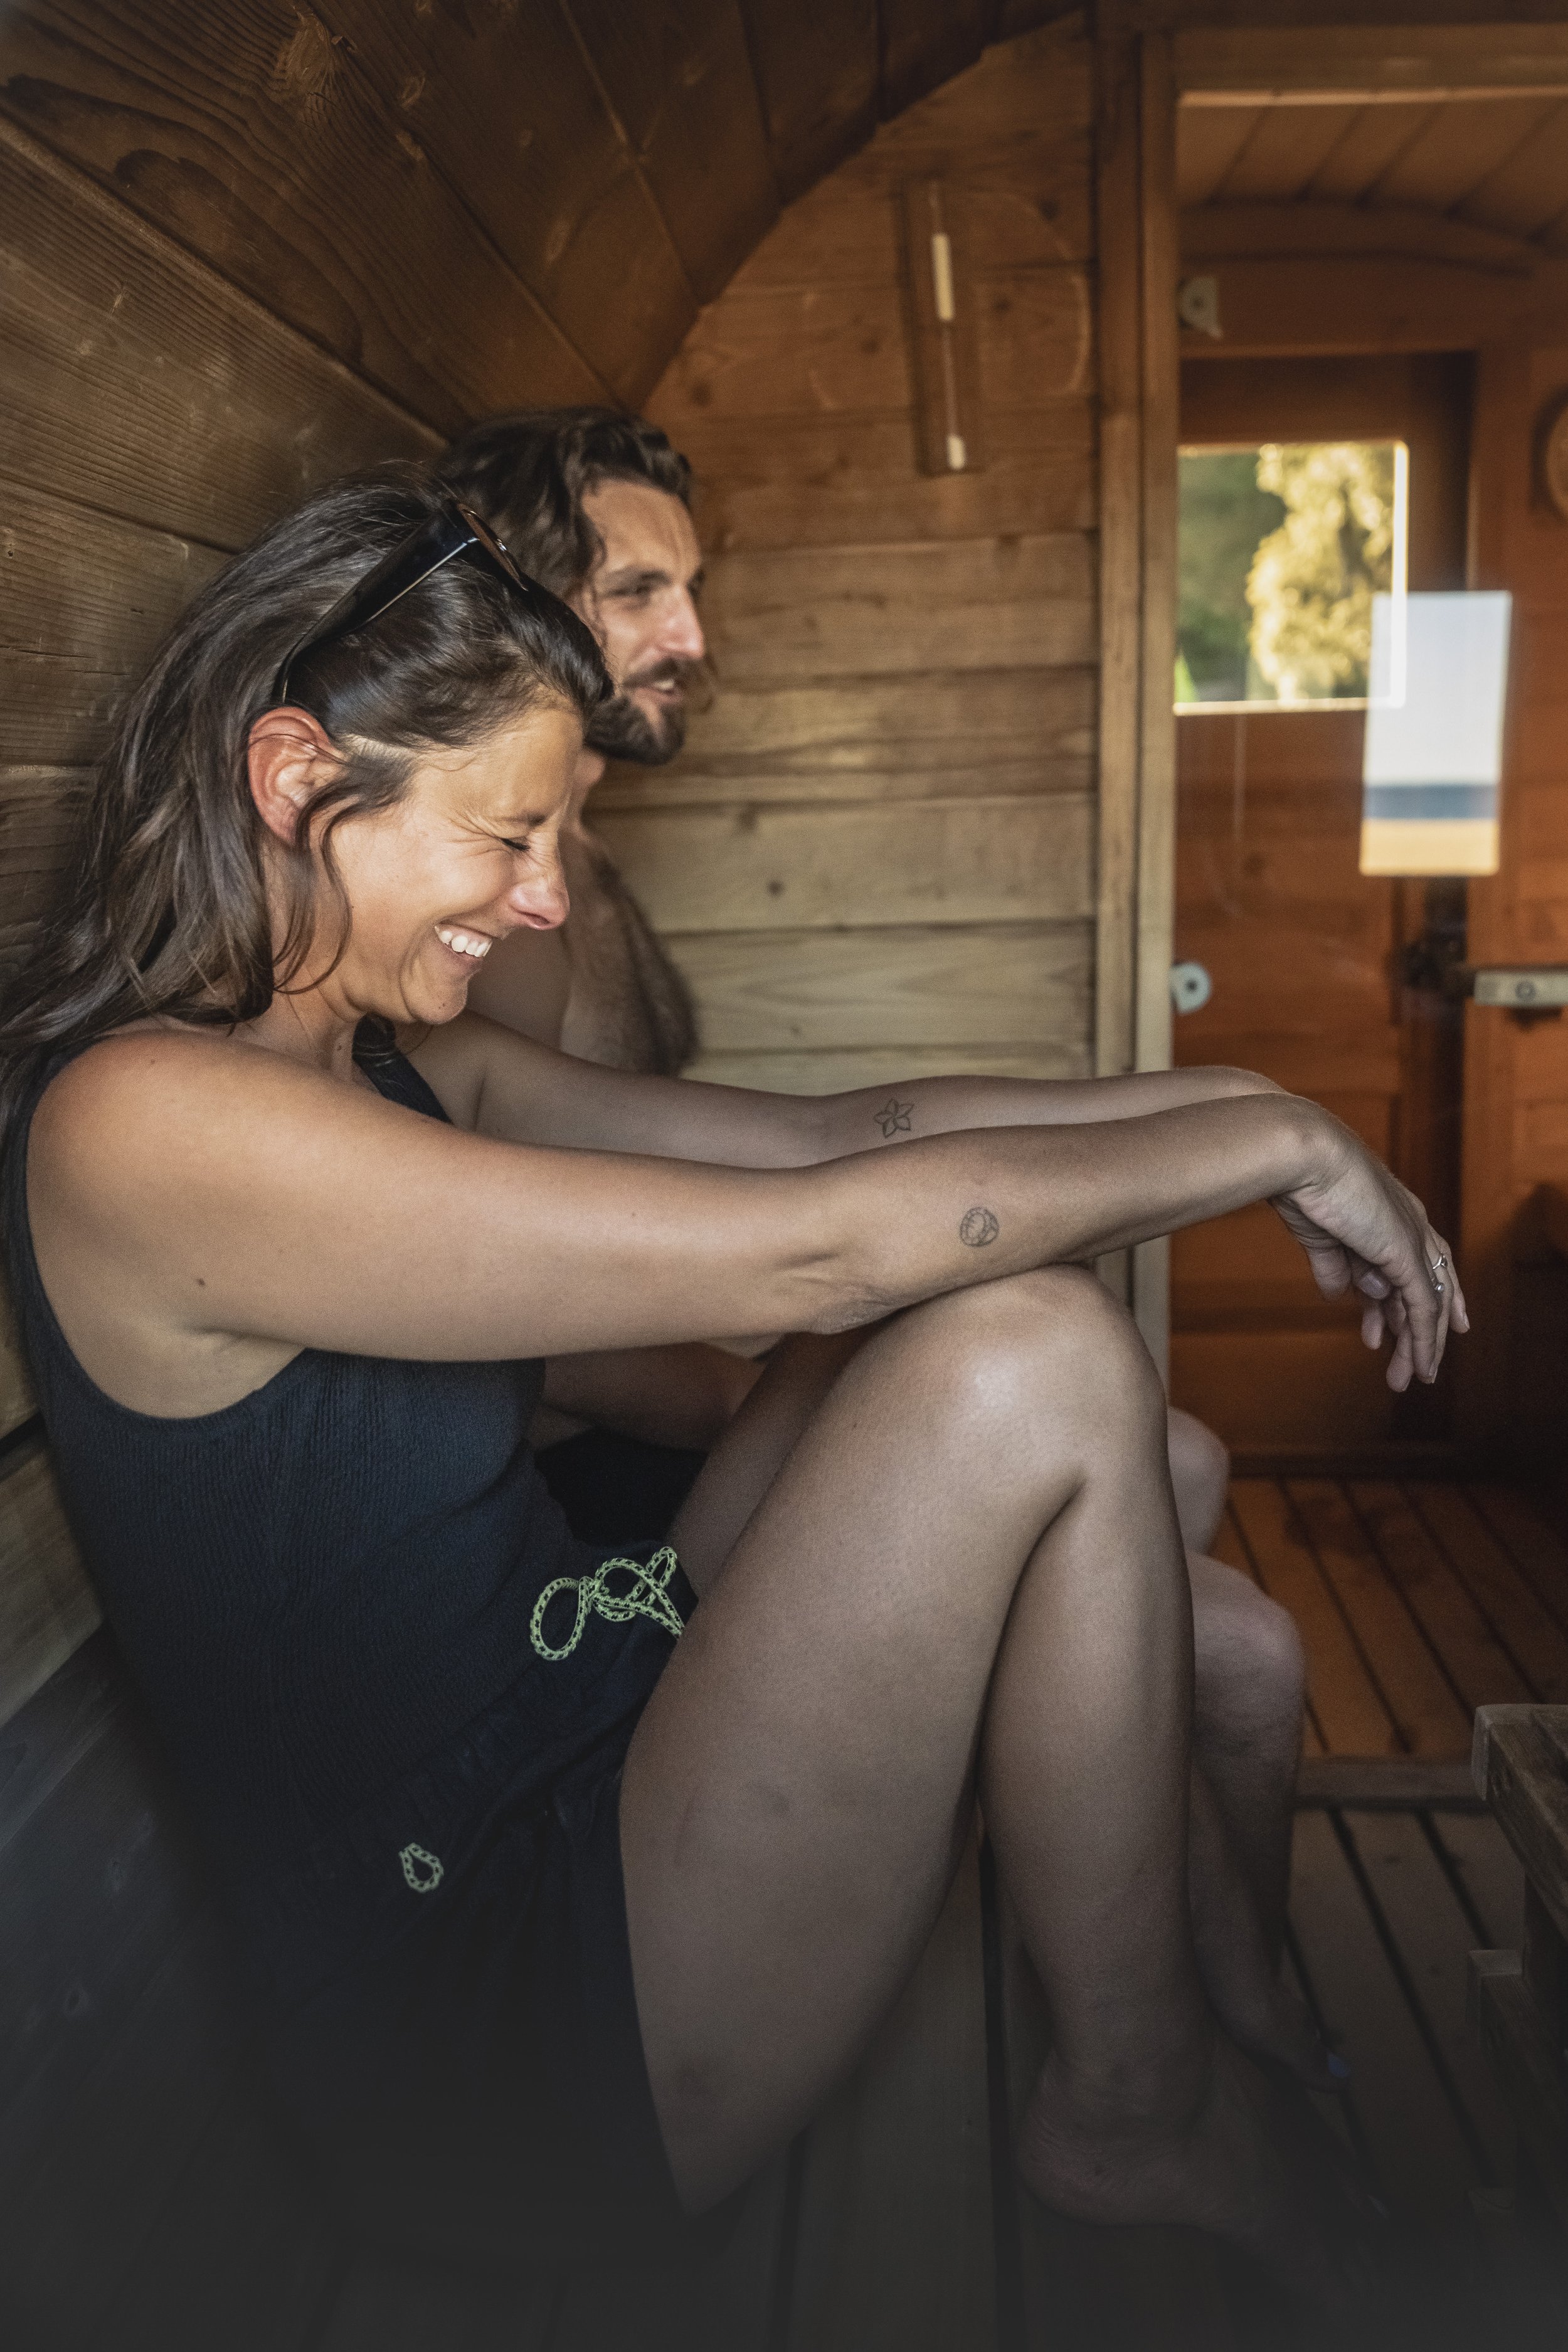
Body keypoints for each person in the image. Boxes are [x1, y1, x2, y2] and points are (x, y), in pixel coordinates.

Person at [0, 470, 1464, 2301]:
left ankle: (1183, 2029)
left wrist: (1263, 1107)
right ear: (297, 777)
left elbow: (840, 1139)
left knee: (994, 1317)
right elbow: (820, 1247)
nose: (542, 906)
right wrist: (1262, 1142)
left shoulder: (382, 1063)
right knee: (1017, 1345)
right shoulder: (147, 1126)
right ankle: (1135, 2100)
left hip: (594, 1714)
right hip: (483, 2017)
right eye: (508, 836)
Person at [438, 407, 1291, 1959]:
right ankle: (1181, 2043)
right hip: (585, 1503)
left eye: (688, 589)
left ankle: (1203, 2016)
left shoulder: (579, 871)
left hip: (694, 1389)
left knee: (1174, 1464)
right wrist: (786, 1386)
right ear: (507, 594)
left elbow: (821, 1136)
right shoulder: (500, 923)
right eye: (636, 592)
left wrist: (1229, 1112)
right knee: (1237, 1652)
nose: (690, 634)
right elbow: (490, 1309)